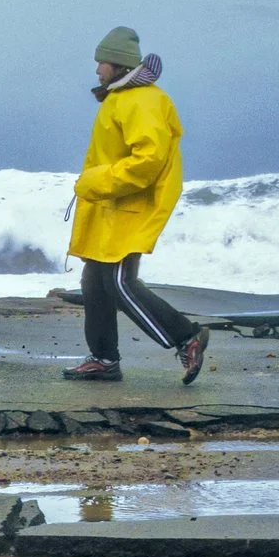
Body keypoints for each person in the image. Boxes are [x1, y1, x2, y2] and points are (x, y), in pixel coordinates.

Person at [64, 26, 207, 384]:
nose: (97, 70)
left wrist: (94, 183)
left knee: (120, 283)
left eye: (101, 63)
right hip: (110, 210)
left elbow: (148, 161)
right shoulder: (122, 98)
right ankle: (103, 359)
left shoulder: (142, 100)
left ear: (119, 64)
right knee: (95, 283)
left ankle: (186, 338)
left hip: (128, 210)